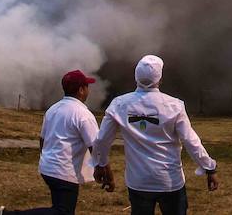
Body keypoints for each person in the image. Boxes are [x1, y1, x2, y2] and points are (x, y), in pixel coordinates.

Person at [93, 54, 218, 215]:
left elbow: (102, 140)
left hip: (138, 182)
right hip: (170, 181)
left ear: (136, 76)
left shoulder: (119, 104)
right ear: (159, 78)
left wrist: (101, 164)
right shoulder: (174, 105)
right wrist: (209, 167)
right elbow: (190, 140)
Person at [0, 69, 100, 215]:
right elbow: (96, 147)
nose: (88, 90)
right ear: (81, 89)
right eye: (87, 86)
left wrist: (46, 158)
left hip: (48, 167)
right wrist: (104, 171)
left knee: (61, 208)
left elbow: (42, 139)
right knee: (62, 211)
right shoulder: (83, 114)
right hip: (64, 172)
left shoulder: (53, 109)